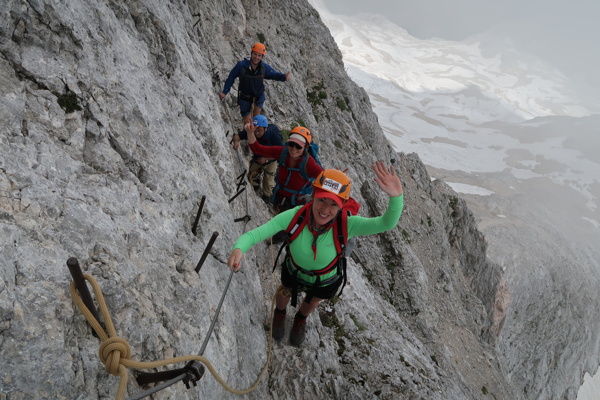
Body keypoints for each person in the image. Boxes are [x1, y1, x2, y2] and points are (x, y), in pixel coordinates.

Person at [227, 163, 404, 346]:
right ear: (313, 197)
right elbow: (256, 234)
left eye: (333, 204)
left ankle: (300, 319)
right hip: (295, 270)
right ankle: (280, 313)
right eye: (321, 200)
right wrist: (239, 248)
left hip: (325, 279)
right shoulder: (295, 216)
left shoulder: (348, 224)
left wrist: (396, 197)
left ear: (342, 205)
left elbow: (386, 223)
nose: (325, 210)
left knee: (313, 300)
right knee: (284, 290)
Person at [246, 125, 322, 214]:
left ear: (305, 147)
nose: (293, 149)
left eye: (298, 146)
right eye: (291, 144)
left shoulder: (309, 163)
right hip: (279, 198)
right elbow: (257, 149)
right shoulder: (283, 153)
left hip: (296, 204)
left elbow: (324, 178)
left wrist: (338, 178)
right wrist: (250, 133)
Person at [219, 43, 291, 125]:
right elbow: (231, 78)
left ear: (262, 57)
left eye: (259, 55)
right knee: (248, 125)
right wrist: (225, 92)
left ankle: (252, 135)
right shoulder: (241, 66)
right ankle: (246, 134)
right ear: (251, 53)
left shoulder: (264, 68)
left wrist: (284, 77)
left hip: (258, 97)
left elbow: (274, 75)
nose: (256, 57)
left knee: (256, 123)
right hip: (245, 97)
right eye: (255, 54)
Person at [233, 115, 283, 201]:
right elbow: (237, 135)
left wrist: (266, 159)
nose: (256, 133)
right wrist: (236, 142)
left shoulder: (274, 136)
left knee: (269, 177)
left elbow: (280, 153)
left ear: (265, 129)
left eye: (259, 130)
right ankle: (256, 185)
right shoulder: (252, 131)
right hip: (258, 158)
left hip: (271, 159)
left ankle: (266, 195)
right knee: (252, 174)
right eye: (255, 130)